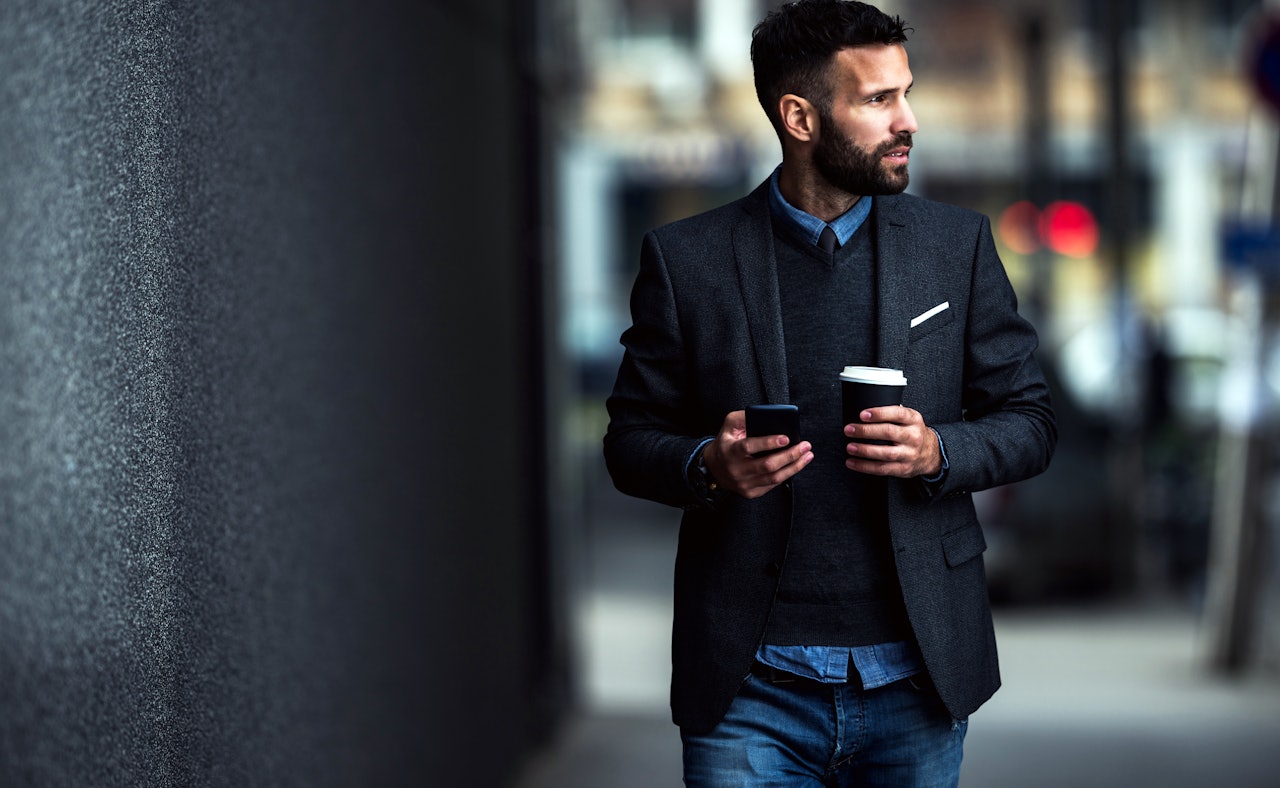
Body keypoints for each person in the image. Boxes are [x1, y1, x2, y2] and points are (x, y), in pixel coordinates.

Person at [603, 0, 1057, 784]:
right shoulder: (687, 260)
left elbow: (1032, 420)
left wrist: (938, 450)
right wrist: (710, 465)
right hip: (749, 687)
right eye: (879, 100)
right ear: (800, 118)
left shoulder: (958, 248)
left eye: (905, 91)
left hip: (916, 677)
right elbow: (630, 441)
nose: (908, 119)